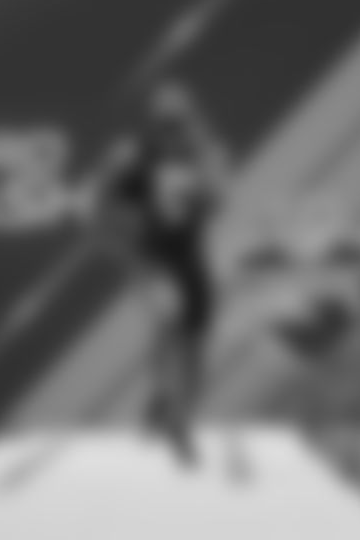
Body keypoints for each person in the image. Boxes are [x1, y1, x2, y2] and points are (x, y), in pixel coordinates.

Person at [81, 80, 232, 465]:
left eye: (179, 123)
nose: (173, 132)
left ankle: (182, 418)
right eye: (166, 125)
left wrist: (208, 181)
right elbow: (104, 203)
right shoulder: (142, 158)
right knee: (167, 313)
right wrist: (116, 235)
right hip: (154, 257)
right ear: (156, 125)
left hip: (190, 257)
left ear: (192, 119)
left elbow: (219, 203)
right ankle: (162, 394)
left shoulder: (204, 154)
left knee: (196, 344)